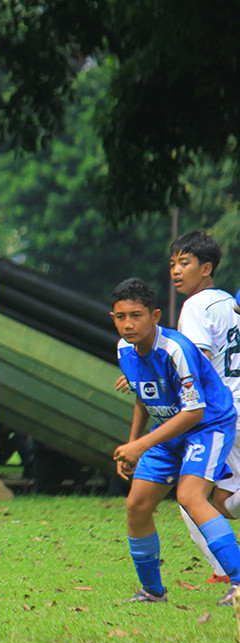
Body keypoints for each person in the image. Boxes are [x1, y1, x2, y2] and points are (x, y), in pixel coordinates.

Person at [110, 277, 240, 607]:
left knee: (190, 496)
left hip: (207, 425)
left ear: (155, 316)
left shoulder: (176, 349)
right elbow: (144, 395)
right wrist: (132, 443)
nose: (128, 324)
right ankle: (153, 591)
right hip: (168, 429)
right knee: (137, 505)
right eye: (121, 316)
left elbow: (194, 412)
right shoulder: (124, 348)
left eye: (136, 315)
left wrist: (141, 446)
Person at [166, 231, 240, 585]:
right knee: (222, 498)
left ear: (206, 268)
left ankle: (225, 570)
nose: (176, 271)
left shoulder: (194, 307)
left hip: (223, 413)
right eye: (173, 264)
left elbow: (200, 366)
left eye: (185, 263)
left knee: (191, 496)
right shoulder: (230, 302)